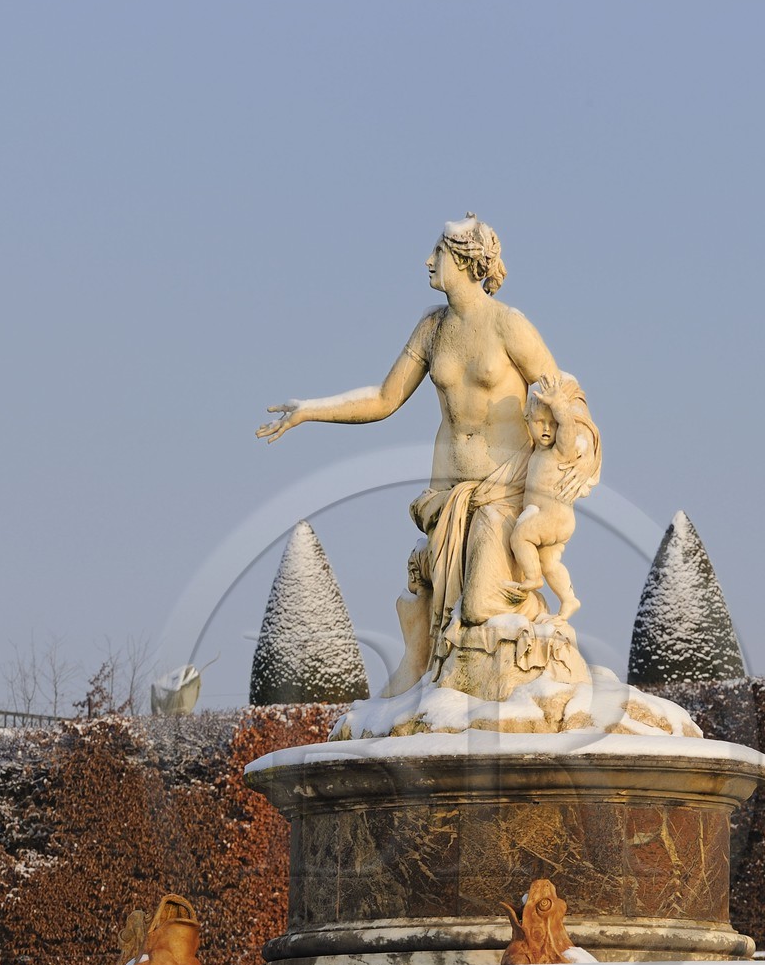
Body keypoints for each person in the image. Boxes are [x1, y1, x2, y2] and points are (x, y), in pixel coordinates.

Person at [257, 215, 574, 692]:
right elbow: (384, 399)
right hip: (445, 496)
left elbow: (562, 393)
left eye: (439, 254)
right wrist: (310, 410)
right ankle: (434, 687)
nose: (429, 262)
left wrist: (573, 460)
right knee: (442, 611)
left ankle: (524, 669)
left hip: (502, 493)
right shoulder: (431, 328)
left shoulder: (509, 324)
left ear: (466, 262)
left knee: (481, 605)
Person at [509, 375, 601, 621]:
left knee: (521, 536)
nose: (547, 429)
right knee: (550, 563)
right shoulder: (536, 453)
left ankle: (532, 577)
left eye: (552, 423)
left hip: (553, 516)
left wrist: (559, 405)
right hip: (557, 521)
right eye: (540, 422)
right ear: (527, 421)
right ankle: (569, 599)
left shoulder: (560, 451)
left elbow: (569, 429)